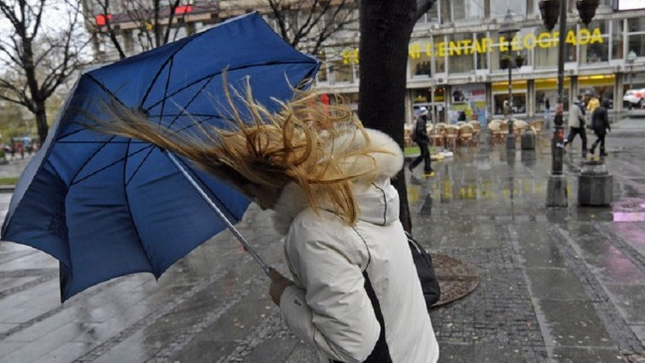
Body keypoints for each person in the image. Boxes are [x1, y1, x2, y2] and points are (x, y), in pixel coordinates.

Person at [91, 87, 440, 363]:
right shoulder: (362, 191)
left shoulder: (314, 230)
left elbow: (354, 349)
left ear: (266, 178)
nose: (255, 203)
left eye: (250, 190)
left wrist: (286, 297)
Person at [408, 107, 434, 176]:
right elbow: (420, 131)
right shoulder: (421, 121)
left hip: (421, 140)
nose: (428, 115)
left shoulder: (421, 120)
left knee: (426, 155)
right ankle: (412, 165)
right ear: (425, 114)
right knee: (424, 155)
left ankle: (427, 168)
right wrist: (427, 137)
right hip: (422, 141)